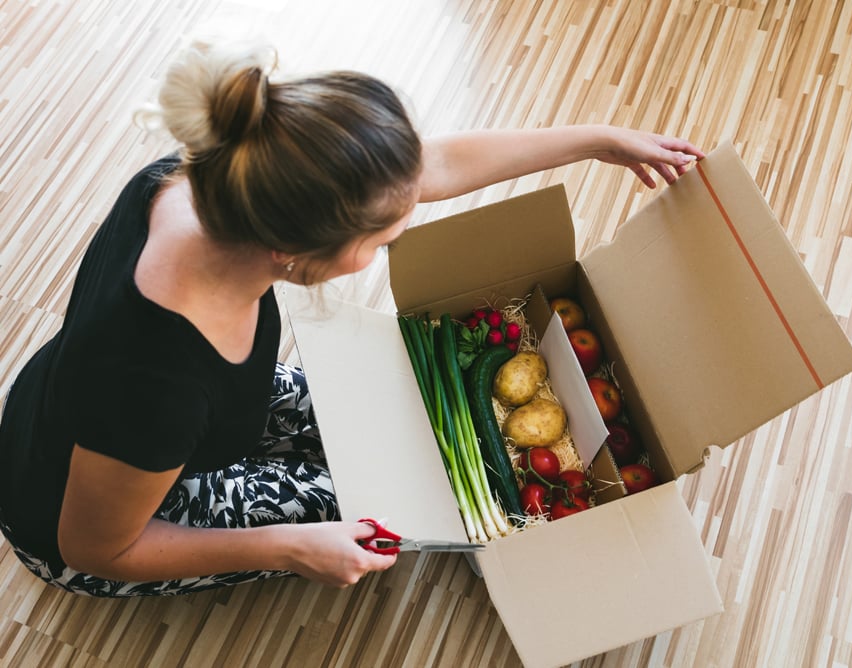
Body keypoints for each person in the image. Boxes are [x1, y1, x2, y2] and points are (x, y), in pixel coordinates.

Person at [0, 39, 704, 597]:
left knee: (409, 443)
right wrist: (293, 548)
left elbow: (429, 168)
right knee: (385, 514)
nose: (393, 241)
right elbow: (94, 547)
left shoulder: (218, 178)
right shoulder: (152, 381)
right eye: (383, 240)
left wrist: (600, 140)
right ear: (292, 250)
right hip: (88, 523)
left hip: (153, 423)